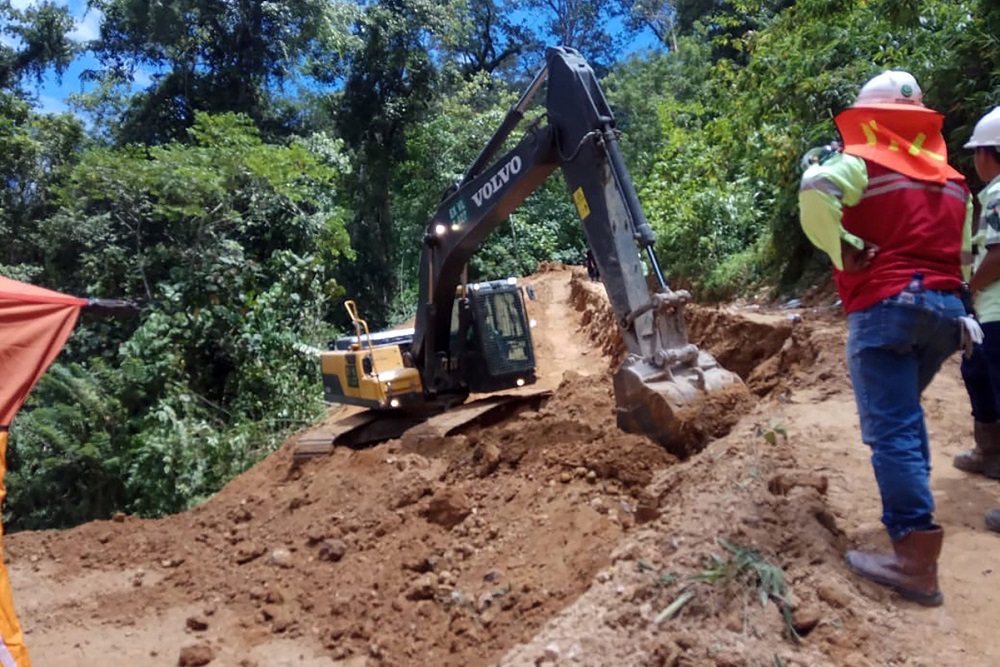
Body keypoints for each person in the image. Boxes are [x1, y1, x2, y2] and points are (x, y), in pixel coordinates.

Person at [798, 70, 974, 606]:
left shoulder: (861, 161)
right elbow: (963, 254)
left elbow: (814, 189)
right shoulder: (953, 179)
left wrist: (842, 244)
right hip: (946, 311)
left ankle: (914, 560)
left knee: (892, 429)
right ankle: (915, 535)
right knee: (904, 418)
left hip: (887, 306)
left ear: (868, 120)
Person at [958, 107, 1000, 531]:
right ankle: (990, 453)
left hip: (996, 312)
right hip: (988, 315)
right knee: (976, 373)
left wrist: (970, 285)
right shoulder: (990, 195)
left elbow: (999, 254)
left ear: (990, 154)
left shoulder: (999, 194)